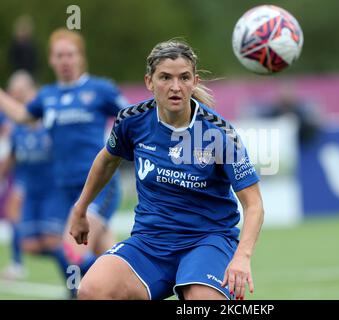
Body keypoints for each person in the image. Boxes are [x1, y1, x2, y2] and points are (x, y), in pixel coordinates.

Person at [69, 40, 265, 300]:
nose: (175, 87)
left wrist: (242, 257)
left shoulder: (220, 133)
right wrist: (81, 209)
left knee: (201, 300)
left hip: (207, 240)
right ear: (149, 82)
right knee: (92, 290)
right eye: (165, 78)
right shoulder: (132, 121)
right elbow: (106, 160)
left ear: (194, 81)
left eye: (184, 78)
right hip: (150, 241)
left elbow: (254, 205)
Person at [0, 29, 127, 293]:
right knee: (108, 258)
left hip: (98, 186)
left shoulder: (99, 89)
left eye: (70, 54)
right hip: (66, 190)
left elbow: (131, 117)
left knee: (72, 252)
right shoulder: (47, 96)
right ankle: (128, 286)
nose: (65, 60)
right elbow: (23, 116)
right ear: (51, 60)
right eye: (60, 55)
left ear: (81, 58)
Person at [0, 70, 61, 280]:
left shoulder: (50, 120)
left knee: (52, 240)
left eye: (19, 92)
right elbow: (13, 155)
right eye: (12, 93)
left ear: (31, 91)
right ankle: (19, 262)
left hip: (54, 189)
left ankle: (77, 276)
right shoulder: (16, 127)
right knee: (31, 244)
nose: (15, 97)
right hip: (28, 185)